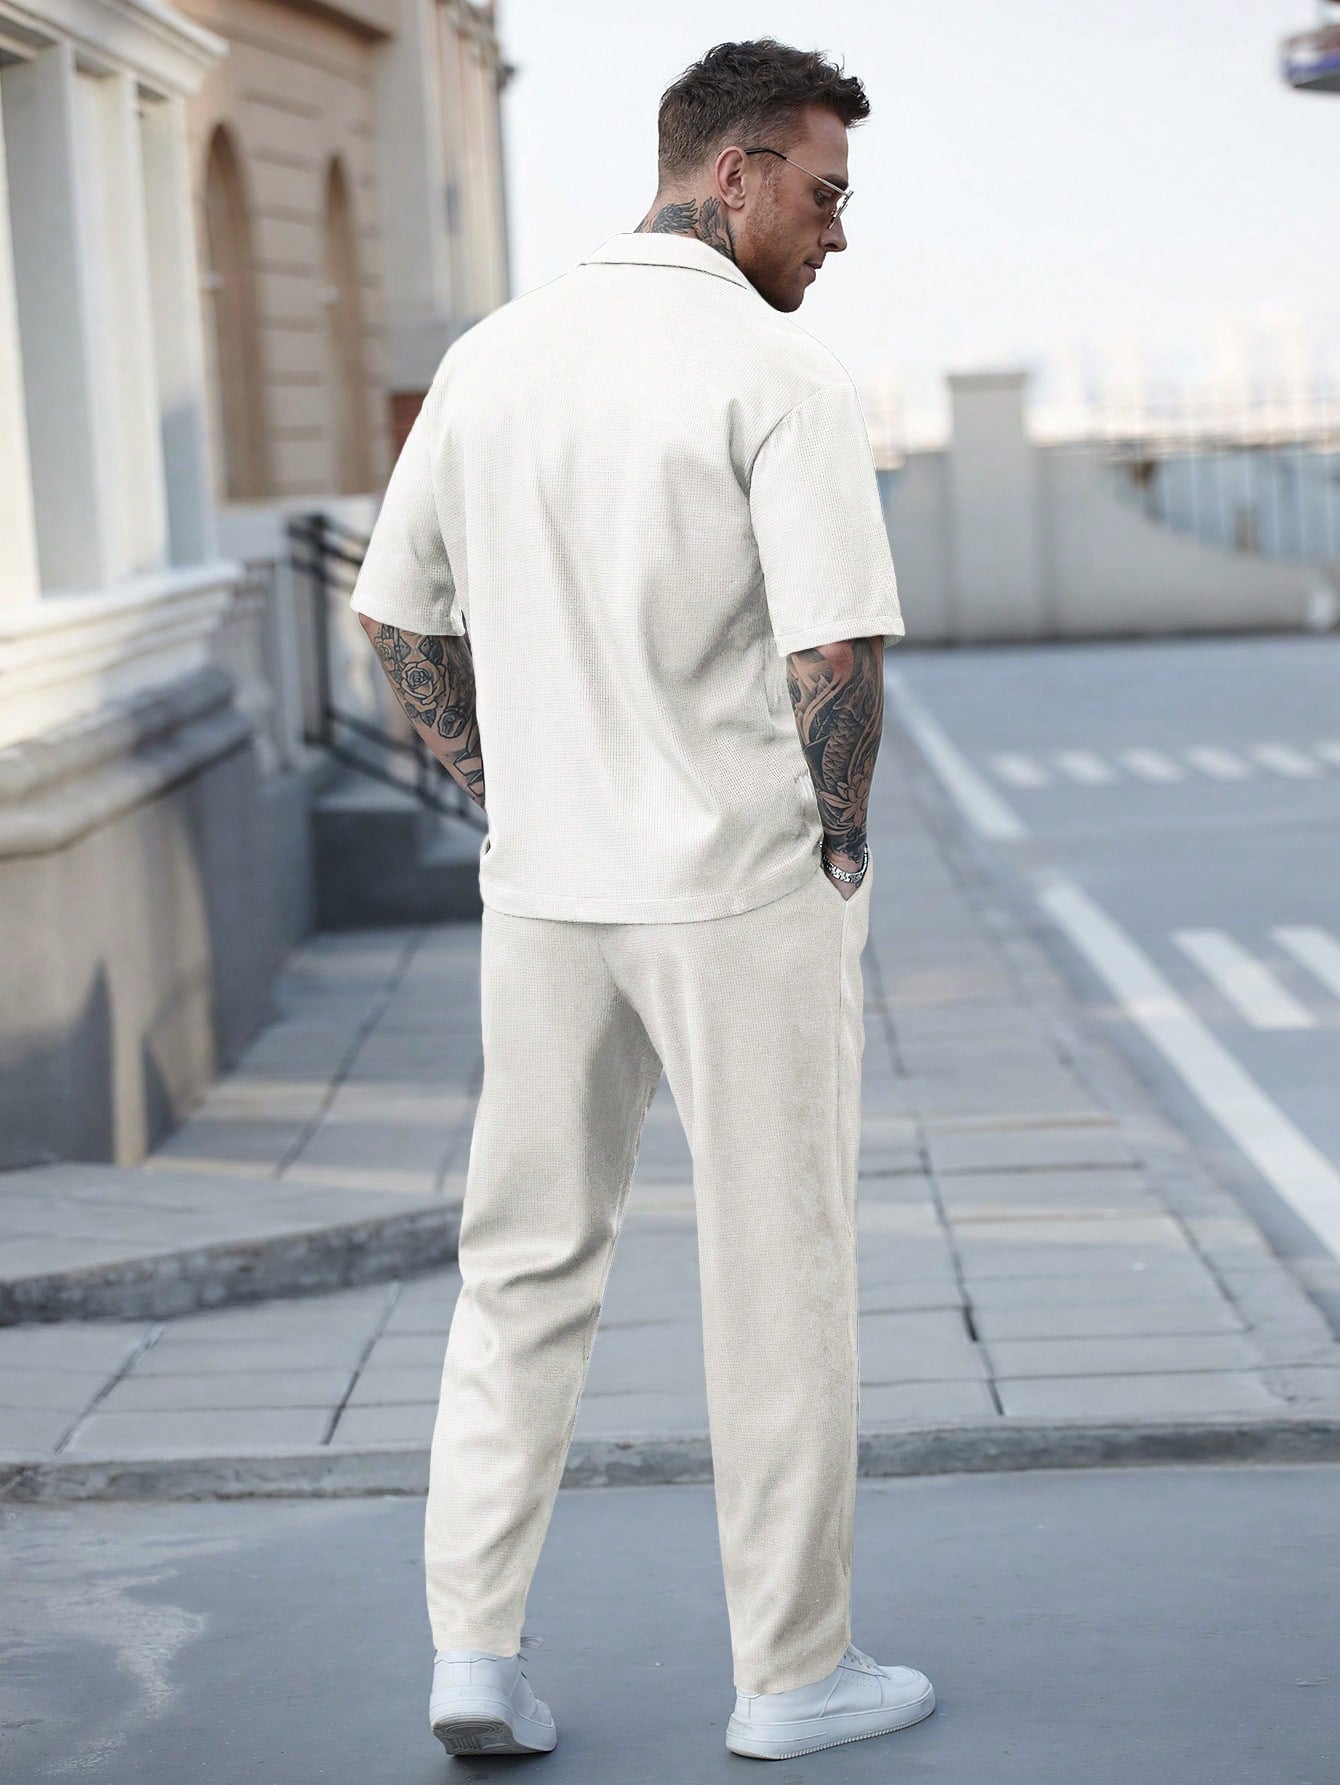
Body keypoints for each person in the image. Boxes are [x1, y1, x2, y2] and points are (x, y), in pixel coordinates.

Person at [348, 36, 936, 1764]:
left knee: (521, 1264)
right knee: (778, 1272)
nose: (838, 231)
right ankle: (792, 1675)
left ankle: (473, 1651)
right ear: (735, 172)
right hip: (737, 892)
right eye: (824, 191)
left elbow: (394, 616)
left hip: (546, 892)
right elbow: (835, 648)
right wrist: (839, 844)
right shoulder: (777, 374)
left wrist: (500, 787)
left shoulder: (494, 356)